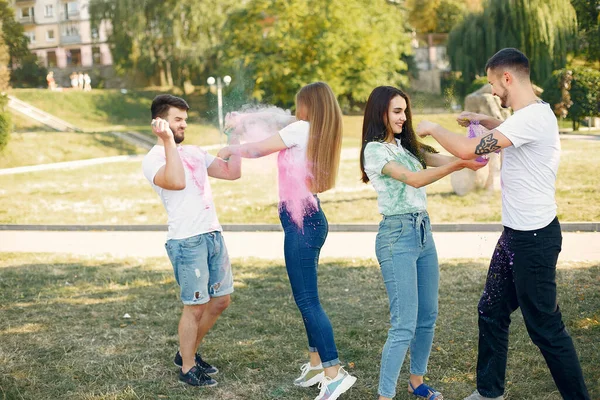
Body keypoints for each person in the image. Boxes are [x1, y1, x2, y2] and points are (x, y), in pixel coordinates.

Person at [415, 48, 590, 400]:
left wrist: (434, 127)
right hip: (516, 235)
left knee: (545, 328)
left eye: (494, 84)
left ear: (507, 78)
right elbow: (508, 131)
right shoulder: (532, 114)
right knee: (491, 310)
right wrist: (483, 118)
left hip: (535, 240)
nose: (494, 92)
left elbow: (470, 152)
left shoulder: (531, 119)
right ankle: (489, 392)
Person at [218, 82, 357, 400]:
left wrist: (231, 146)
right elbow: (276, 121)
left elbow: (255, 150)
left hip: (302, 223)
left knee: (308, 301)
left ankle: (334, 374)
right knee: (307, 299)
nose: (295, 110)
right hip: (308, 219)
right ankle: (316, 364)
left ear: (308, 105)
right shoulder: (311, 129)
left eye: (299, 104)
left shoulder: (301, 129)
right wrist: (242, 122)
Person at [360, 86, 487, 400]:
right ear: (381, 113)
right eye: (397, 111)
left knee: (428, 315)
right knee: (404, 323)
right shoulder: (374, 151)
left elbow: (443, 157)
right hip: (397, 237)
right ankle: (384, 395)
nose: (404, 117)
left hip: (422, 233)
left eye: (405, 110)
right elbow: (414, 179)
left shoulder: (407, 146)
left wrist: (471, 156)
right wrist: (457, 166)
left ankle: (416, 382)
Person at [142, 94, 241, 388]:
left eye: (185, 119)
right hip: (186, 241)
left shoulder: (196, 152)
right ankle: (187, 367)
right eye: (177, 119)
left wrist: (235, 138)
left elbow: (231, 172)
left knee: (220, 300)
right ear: (159, 122)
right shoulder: (153, 159)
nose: (184, 124)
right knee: (195, 306)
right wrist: (168, 142)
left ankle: (187, 353)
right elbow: (176, 181)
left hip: (212, 233)